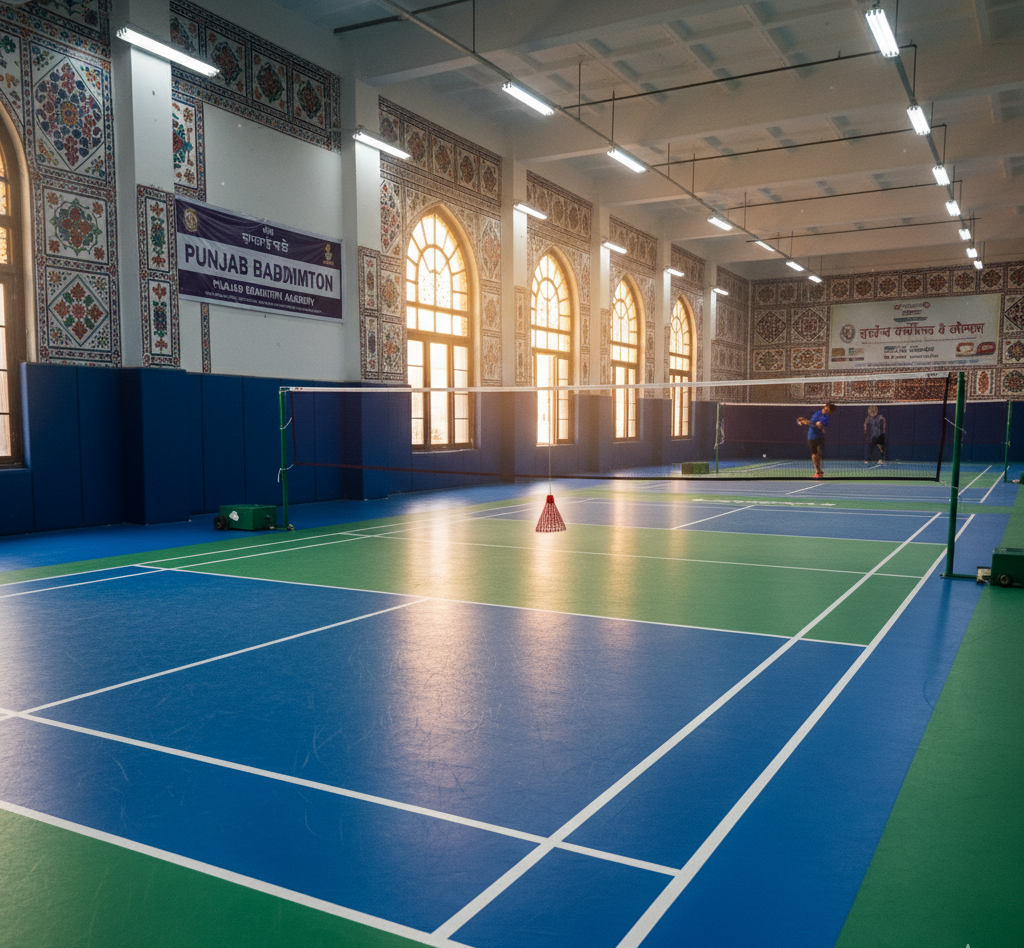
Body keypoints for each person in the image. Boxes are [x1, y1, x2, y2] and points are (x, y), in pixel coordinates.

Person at [797, 402, 835, 478]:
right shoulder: (817, 413)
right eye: (825, 407)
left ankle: (820, 470)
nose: (825, 409)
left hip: (820, 437)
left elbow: (818, 424)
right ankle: (818, 471)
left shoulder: (827, 417)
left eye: (828, 409)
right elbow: (812, 423)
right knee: (814, 455)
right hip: (811, 437)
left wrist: (807, 422)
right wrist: (803, 421)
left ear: (829, 411)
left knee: (819, 454)